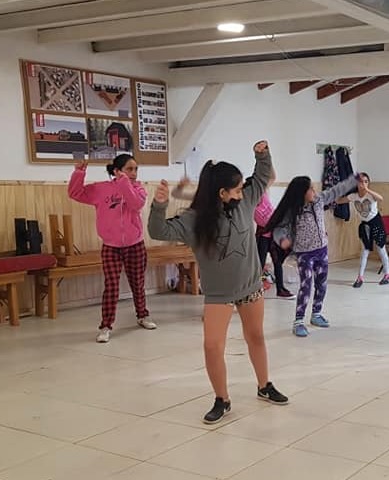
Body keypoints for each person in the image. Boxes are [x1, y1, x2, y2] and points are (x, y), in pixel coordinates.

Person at [148, 140, 288, 424]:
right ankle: (222, 399)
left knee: (256, 336)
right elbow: (157, 229)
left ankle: (264, 385)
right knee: (212, 346)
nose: (241, 192)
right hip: (218, 294)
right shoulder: (194, 220)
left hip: (250, 286)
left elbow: (261, 177)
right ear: (221, 193)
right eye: (236, 189)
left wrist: (262, 154)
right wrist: (159, 205)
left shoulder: (245, 200)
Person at [68, 154, 156, 343]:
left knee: (137, 284)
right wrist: (79, 172)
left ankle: (142, 315)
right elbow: (75, 193)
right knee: (111, 287)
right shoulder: (102, 189)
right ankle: (105, 326)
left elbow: (136, 204)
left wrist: (124, 183)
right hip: (111, 246)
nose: (133, 173)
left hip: (135, 244)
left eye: (135, 169)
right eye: (129, 169)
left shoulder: (138, 189)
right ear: (117, 171)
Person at [265, 173, 359, 337]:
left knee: (322, 284)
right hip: (304, 254)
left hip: (321, 250)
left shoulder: (319, 200)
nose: (313, 190)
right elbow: (280, 228)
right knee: (306, 286)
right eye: (310, 188)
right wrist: (282, 240)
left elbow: (337, 190)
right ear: (301, 192)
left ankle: (316, 314)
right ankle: (299, 321)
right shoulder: (292, 210)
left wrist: (353, 180)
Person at [337, 172, 389, 288]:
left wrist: (367, 189)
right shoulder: (354, 196)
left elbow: (380, 198)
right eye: (361, 181)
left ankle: (387, 275)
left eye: (366, 181)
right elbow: (339, 201)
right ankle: (360, 277)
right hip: (365, 224)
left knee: (380, 249)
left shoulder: (371, 195)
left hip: (376, 223)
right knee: (364, 251)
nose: (363, 184)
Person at [254, 192, 294, 298]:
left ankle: (280, 289)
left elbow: (272, 214)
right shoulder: (253, 205)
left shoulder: (264, 195)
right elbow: (264, 221)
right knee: (260, 264)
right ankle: (254, 289)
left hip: (272, 236)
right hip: (263, 236)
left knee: (277, 262)